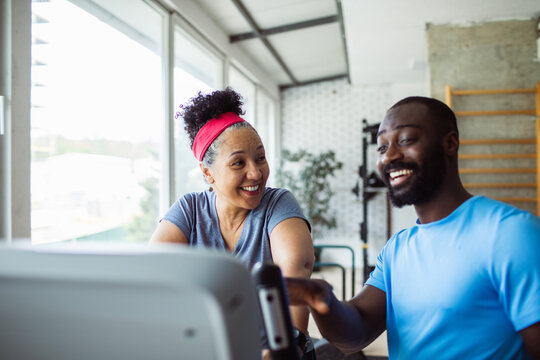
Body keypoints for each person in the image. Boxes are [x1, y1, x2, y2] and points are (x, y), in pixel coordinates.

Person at [286, 96, 540, 359]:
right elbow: (356, 333)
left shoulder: (512, 234)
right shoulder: (397, 248)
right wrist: (319, 299)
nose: (390, 156)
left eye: (406, 140)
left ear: (450, 143)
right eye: (382, 148)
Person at [150, 87, 316, 359]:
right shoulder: (188, 210)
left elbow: (297, 269)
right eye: (238, 163)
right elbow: (153, 273)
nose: (256, 172)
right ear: (208, 173)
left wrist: (290, 344)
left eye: (260, 158)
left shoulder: (278, 203)